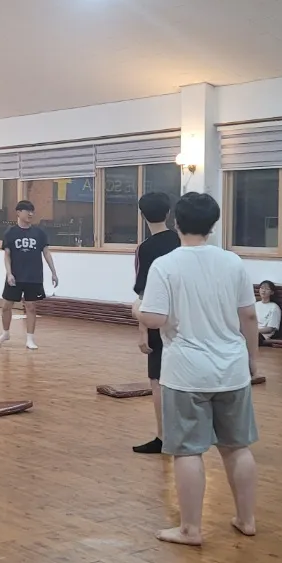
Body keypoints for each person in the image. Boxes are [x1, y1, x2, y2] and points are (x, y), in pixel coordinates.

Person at [138, 192, 261, 546]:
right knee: (238, 447)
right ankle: (247, 519)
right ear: (213, 224)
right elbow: (249, 316)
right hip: (232, 369)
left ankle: (190, 529)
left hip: (186, 372)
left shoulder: (166, 265)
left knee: (188, 451)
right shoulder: (233, 262)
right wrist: (252, 359)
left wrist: (135, 311)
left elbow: (154, 318)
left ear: (177, 223)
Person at [130, 190, 182, 455]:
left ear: (142, 215)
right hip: (187, 318)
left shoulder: (144, 249)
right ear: (169, 213)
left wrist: (143, 331)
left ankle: (164, 437)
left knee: (157, 379)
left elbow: (144, 294)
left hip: (158, 321)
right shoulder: (182, 242)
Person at [0, 200, 59, 350]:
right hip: (15, 276)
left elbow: (46, 253)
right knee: (6, 306)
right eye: (27, 211)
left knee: (31, 307)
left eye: (32, 211)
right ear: (18, 212)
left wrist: (54, 272)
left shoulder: (39, 233)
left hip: (33, 276)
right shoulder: (10, 233)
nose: (30, 214)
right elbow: (7, 256)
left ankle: (30, 338)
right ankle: (5, 333)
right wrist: (9, 274)